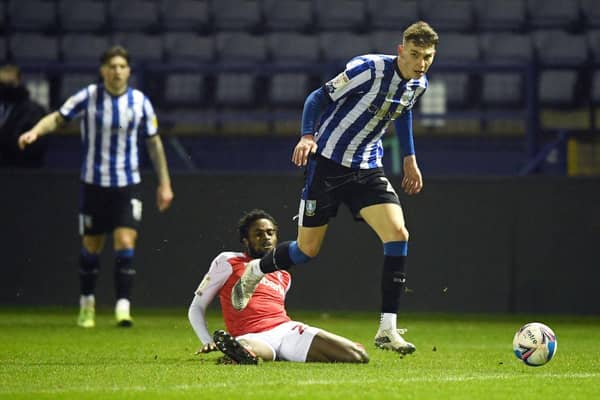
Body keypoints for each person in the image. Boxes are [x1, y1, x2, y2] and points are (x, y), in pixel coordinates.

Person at [231, 21, 439, 355]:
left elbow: (402, 113)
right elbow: (318, 97)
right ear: (401, 50)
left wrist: (410, 159)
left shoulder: (419, 84)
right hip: (327, 164)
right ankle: (257, 268)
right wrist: (308, 135)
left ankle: (387, 329)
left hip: (367, 169)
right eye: (415, 55)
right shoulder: (368, 70)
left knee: (398, 234)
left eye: (427, 56)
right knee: (305, 251)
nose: (421, 63)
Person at [18, 46, 174, 328]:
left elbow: (154, 143)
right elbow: (58, 117)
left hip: (127, 184)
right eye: (112, 66)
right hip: (94, 184)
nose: (117, 71)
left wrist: (164, 182)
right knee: (92, 245)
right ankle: (87, 304)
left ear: (128, 71)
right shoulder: (88, 97)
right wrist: (35, 132)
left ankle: (123, 308)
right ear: (103, 70)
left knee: (126, 241)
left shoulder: (140, 102)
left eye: (122, 66)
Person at [188, 209, 369, 364]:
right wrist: (207, 340)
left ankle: (248, 355)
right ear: (245, 240)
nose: (266, 238)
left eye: (270, 233)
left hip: (286, 331)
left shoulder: (283, 274)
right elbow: (197, 306)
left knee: (358, 355)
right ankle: (240, 353)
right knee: (247, 348)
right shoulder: (227, 260)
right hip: (251, 335)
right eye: (258, 234)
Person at [0, 64, 47, 167]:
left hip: (21, 172)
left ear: (18, 82)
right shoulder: (3, 106)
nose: (4, 88)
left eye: (10, 84)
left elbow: (34, 148)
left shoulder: (34, 111)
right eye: (2, 84)